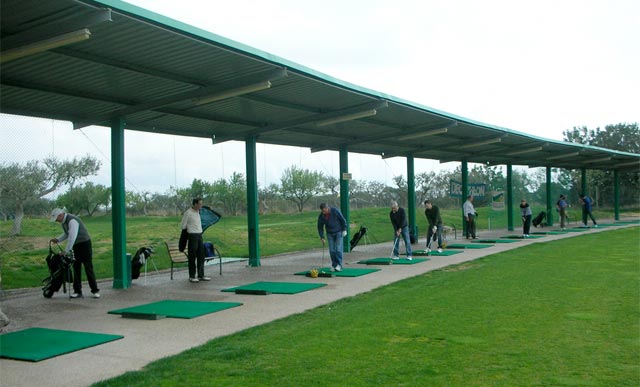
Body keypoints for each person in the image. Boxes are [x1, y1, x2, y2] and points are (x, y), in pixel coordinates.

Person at [49, 208, 100, 299]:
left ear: (61, 215)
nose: (56, 221)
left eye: (57, 218)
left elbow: (72, 237)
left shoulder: (72, 220)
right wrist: (58, 239)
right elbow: (66, 234)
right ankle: (77, 291)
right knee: (76, 267)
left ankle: (95, 290)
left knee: (88, 267)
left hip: (85, 244)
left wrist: (66, 251)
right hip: (77, 245)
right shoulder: (64, 222)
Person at [181, 198, 211, 283]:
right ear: (194, 204)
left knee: (201, 256)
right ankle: (192, 276)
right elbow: (183, 226)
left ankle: (201, 275)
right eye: (199, 204)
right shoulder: (188, 213)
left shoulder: (198, 212)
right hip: (192, 236)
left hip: (199, 235)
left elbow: (206, 210)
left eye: (201, 204)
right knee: (192, 256)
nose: (201, 206)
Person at [317, 203, 348, 271]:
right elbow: (320, 227)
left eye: (324, 210)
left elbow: (342, 220)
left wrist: (344, 229)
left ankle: (339, 265)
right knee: (332, 250)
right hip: (329, 233)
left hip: (339, 232)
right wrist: (322, 237)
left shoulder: (335, 211)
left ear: (327, 208)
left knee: (338, 249)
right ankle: (334, 265)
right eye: (322, 211)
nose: (323, 212)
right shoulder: (321, 216)